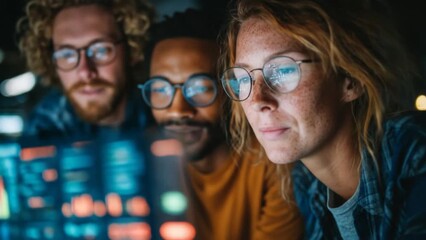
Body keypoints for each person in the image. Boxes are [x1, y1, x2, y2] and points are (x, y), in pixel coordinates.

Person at [220, 0, 426, 239]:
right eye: (243, 78)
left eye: (283, 70)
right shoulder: (307, 183)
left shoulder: (415, 151)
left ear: (350, 78)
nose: (257, 100)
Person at [139, 9, 303, 240]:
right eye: (160, 89)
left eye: (200, 88)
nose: (178, 110)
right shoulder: (137, 162)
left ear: (232, 88)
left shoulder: (274, 160)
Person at [17, 0, 153, 140]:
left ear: (132, 50)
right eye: (67, 54)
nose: (85, 72)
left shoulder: (162, 105)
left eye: (101, 50)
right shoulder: (45, 127)